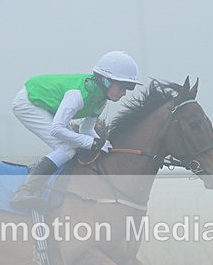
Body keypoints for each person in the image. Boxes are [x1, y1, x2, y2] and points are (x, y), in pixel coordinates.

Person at [9, 50, 142, 209]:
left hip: (45, 105)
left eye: (129, 88)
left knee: (73, 145)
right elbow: (57, 129)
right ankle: (25, 191)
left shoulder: (100, 101)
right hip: (28, 102)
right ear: (106, 81)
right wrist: (92, 142)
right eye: (122, 87)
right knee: (66, 148)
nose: (124, 93)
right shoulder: (77, 95)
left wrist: (104, 144)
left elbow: (86, 130)